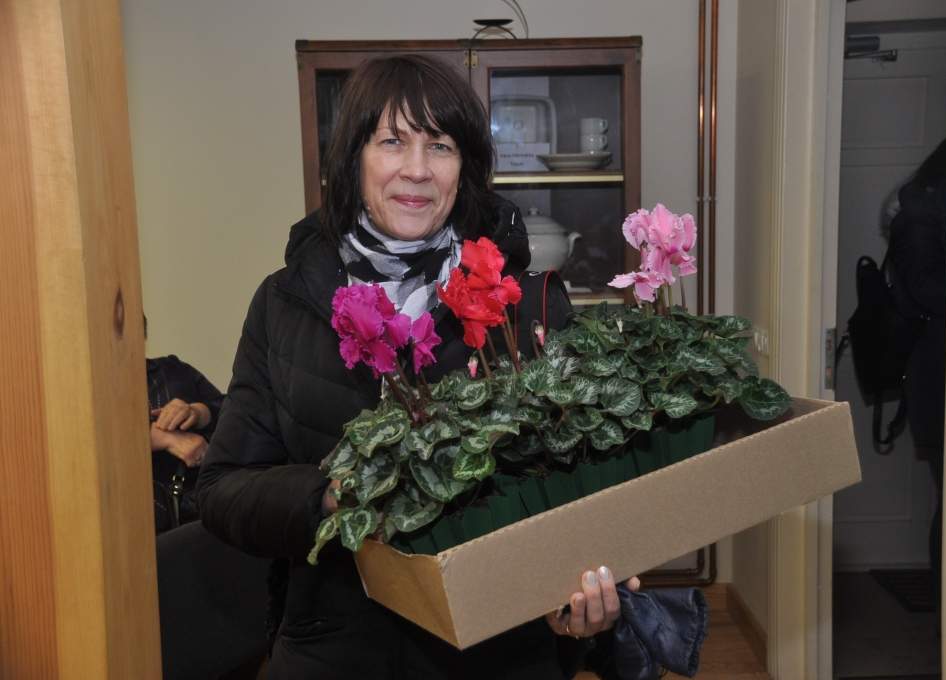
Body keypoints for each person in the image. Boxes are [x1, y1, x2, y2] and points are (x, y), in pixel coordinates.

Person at [197, 54, 638, 679]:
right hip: (336, 641)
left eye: (441, 145)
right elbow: (222, 487)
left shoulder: (527, 301)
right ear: (353, 158)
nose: (417, 170)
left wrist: (580, 604)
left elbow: (586, 492)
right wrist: (326, 498)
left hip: (496, 645)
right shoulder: (285, 302)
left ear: (467, 169)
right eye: (391, 141)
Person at [887, 134, 946, 605]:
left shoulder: (929, 215)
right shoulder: (920, 221)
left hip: (940, 371)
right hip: (938, 375)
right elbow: (928, 293)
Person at [146, 317, 225, 533]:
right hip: (131, 533)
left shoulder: (172, 371)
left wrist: (199, 413)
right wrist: (160, 438)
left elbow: (237, 414)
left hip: (200, 519)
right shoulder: (76, 387)